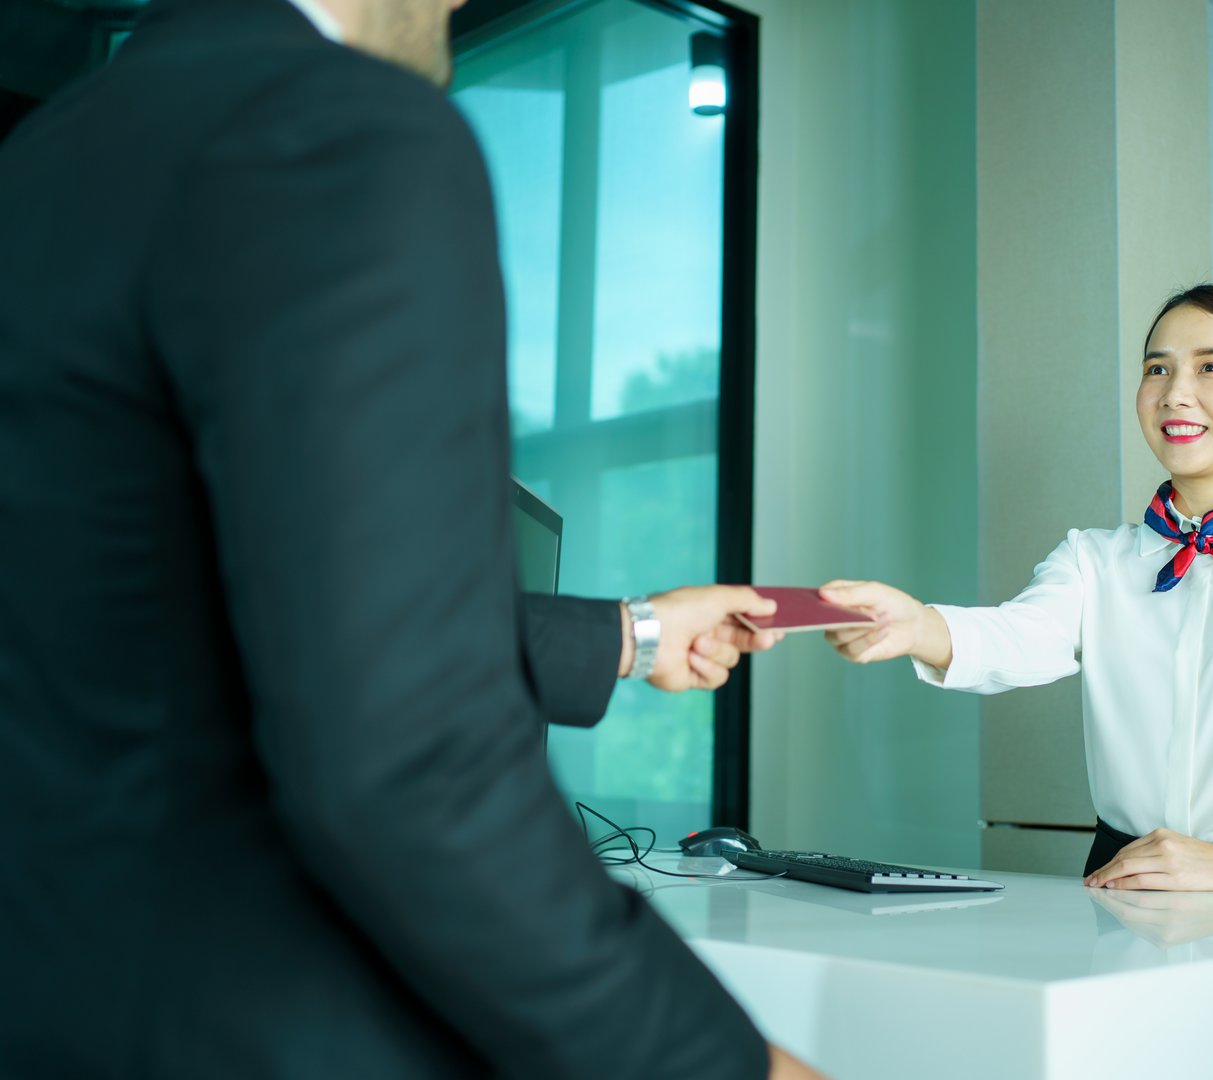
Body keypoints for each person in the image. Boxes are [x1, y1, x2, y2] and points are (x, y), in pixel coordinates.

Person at [0, 0, 822, 1077]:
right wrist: (723, 1065)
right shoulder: (339, 126)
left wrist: (639, 634)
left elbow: (181, 600)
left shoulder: (43, 161)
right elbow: (408, 767)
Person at [820, 284, 1213, 895]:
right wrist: (916, 625)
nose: (1176, 393)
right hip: (1124, 887)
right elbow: (1022, 636)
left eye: (1211, 367)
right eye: (1157, 370)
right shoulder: (1095, 559)